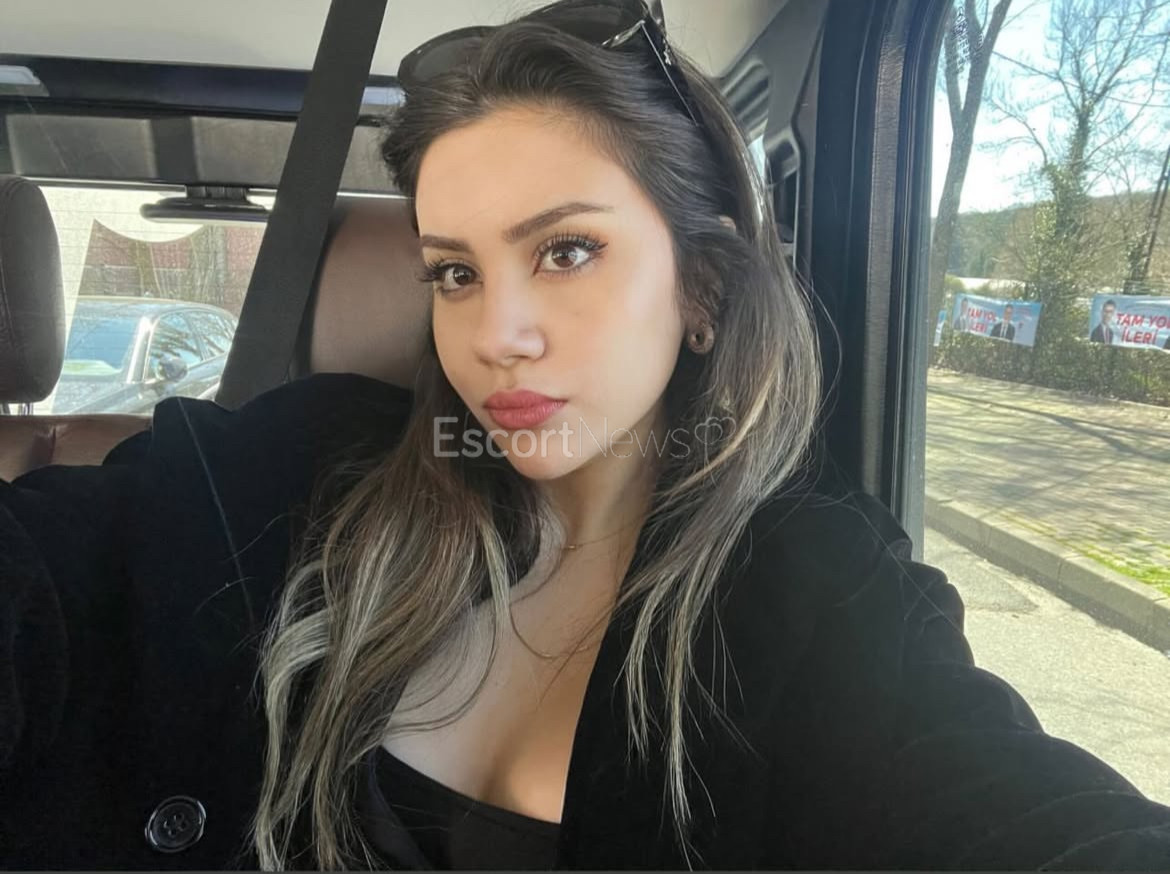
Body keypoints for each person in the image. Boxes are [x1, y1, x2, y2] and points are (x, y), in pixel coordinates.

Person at [3, 1, 1170, 870]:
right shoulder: (290, 467)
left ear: (702, 287)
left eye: (566, 251)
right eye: (455, 272)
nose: (495, 334)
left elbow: (1013, 808)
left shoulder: (820, 593)